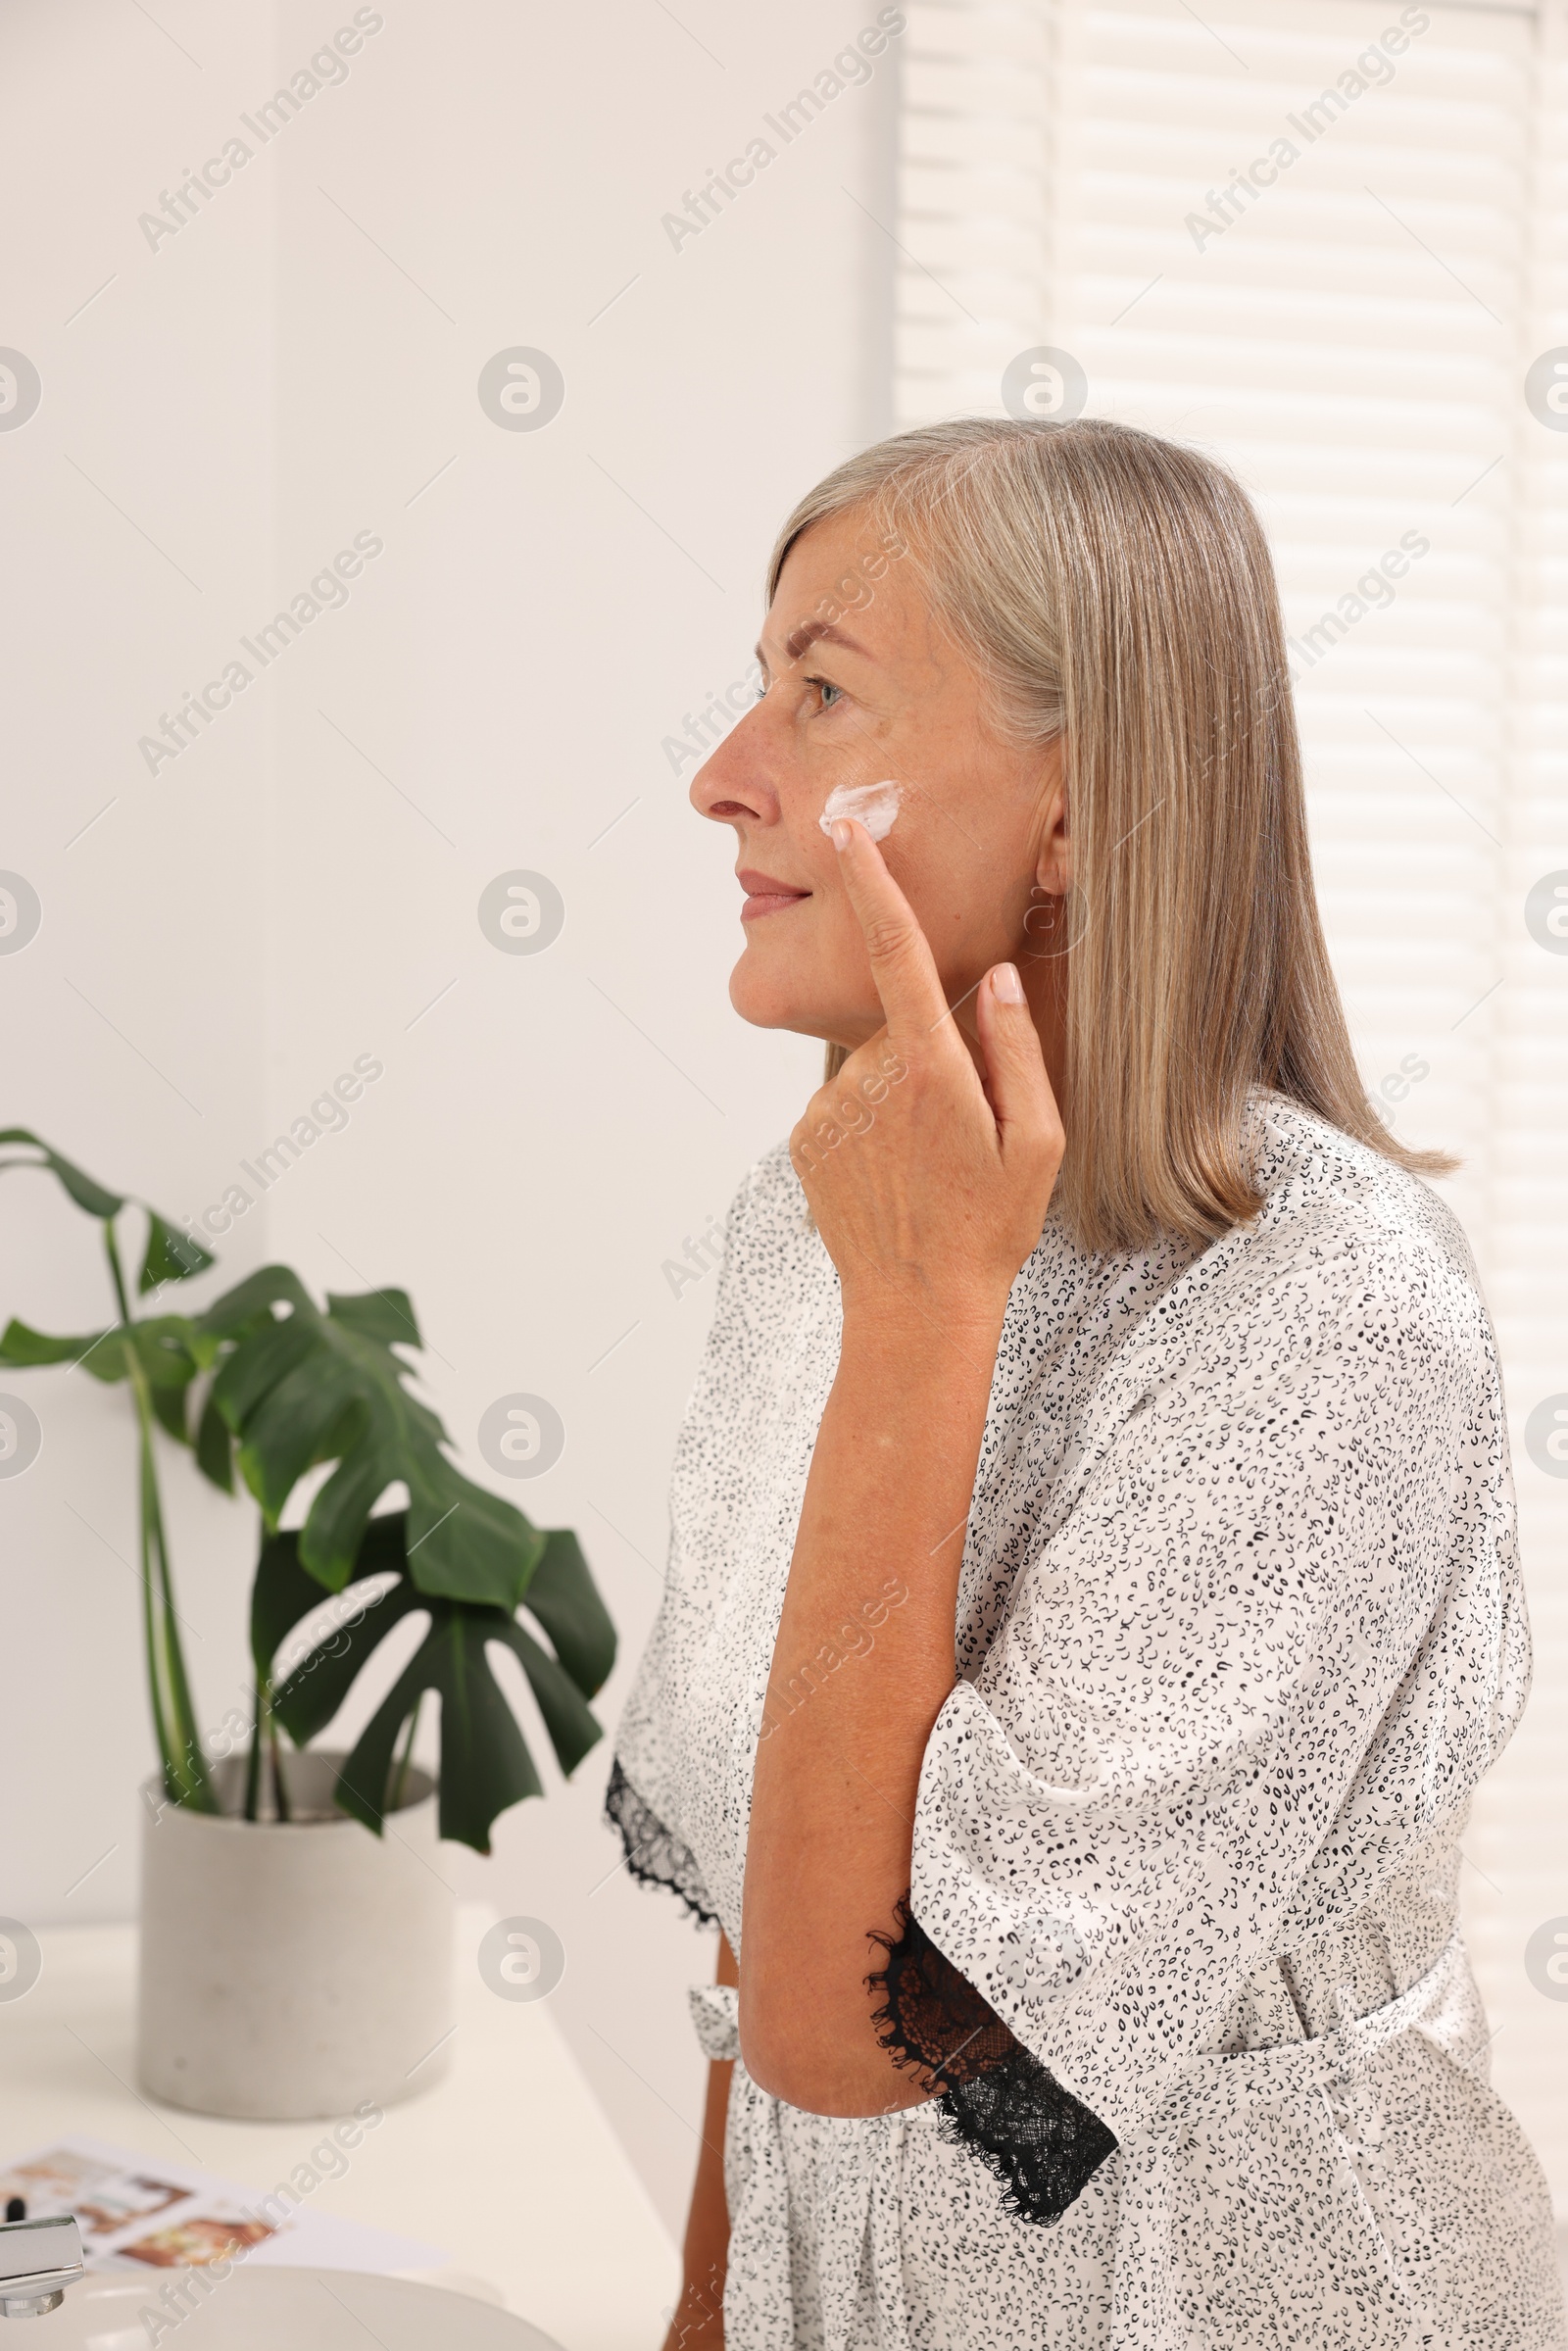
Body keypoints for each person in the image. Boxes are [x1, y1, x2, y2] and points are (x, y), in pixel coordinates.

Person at [607, 417, 1565, 2351]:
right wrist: (702, 2317)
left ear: (1075, 810)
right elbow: (755, 1920)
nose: (723, 780)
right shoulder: (821, 1225)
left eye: (821, 694)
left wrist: (921, 1316)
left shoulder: (1322, 1310)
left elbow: (854, 2030)